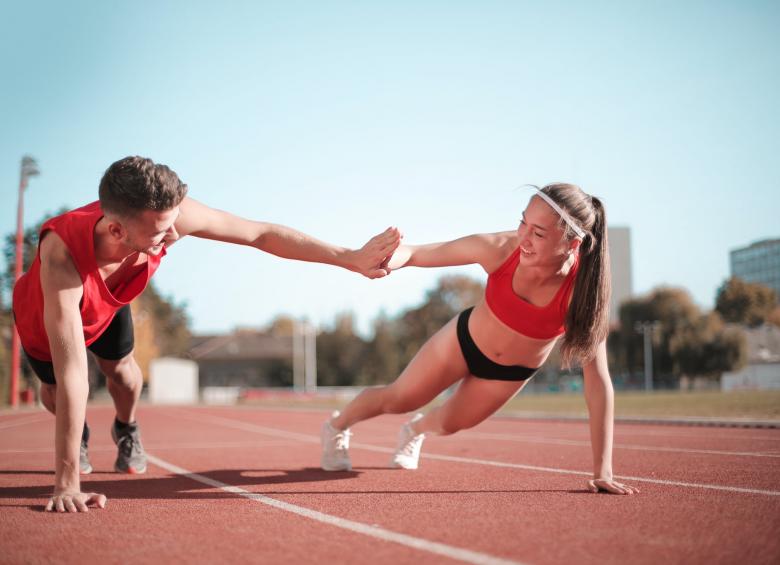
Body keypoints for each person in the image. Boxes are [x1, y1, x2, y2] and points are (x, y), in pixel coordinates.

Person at [12, 155, 401, 513]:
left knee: (126, 376)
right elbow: (74, 372)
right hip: (45, 314)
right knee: (58, 392)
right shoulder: (62, 256)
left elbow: (260, 234)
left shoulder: (170, 217)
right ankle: (77, 436)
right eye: (160, 234)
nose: (173, 237)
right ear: (116, 229)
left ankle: (125, 429)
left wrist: (347, 258)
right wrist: (67, 485)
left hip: (109, 303)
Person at [321, 183, 638, 495]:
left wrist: (602, 471)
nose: (523, 238)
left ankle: (414, 431)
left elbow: (597, 381)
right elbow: (417, 253)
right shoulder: (500, 248)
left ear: (571, 244)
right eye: (522, 222)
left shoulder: (582, 293)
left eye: (538, 233)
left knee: (449, 424)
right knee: (400, 398)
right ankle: (337, 426)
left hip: (509, 374)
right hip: (463, 342)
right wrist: (385, 259)